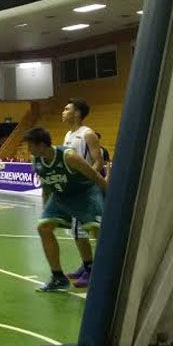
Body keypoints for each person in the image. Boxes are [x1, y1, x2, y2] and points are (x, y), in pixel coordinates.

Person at [24, 127, 108, 292]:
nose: (28, 150)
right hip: (60, 196)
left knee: (96, 229)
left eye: (31, 146)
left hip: (84, 194)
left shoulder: (68, 156)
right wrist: (45, 210)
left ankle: (107, 273)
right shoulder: (37, 161)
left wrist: (111, 198)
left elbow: (94, 176)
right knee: (43, 227)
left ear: (41, 145)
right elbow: (46, 187)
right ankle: (58, 277)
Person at [61, 98, 104, 288]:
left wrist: (87, 181)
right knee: (77, 231)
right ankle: (87, 265)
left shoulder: (88, 134)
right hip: (73, 188)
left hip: (85, 189)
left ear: (77, 113)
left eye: (67, 109)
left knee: (84, 231)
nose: (63, 111)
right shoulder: (68, 134)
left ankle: (92, 268)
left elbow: (98, 161)